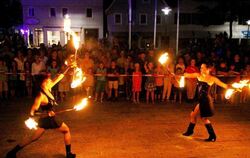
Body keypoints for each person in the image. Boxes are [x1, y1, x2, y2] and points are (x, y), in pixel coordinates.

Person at [6, 63, 77, 158]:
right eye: (48, 79)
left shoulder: (48, 87)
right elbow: (32, 111)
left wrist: (68, 67)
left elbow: (59, 77)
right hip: (49, 119)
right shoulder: (41, 96)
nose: (50, 79)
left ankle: (12, 153)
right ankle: (69, 154)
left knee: (33, 138)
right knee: (66, 130)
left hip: (46, 120)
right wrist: (46, 112)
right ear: (43, 82)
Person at [182, 63, 231, 142]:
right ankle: (190, 131)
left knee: (204, 118)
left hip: (206, 100)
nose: (201, 69)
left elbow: (224, 85)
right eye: (201, 68)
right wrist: (176, 74)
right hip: (200, 100)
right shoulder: (198, 75)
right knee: (192, 115)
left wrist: (234, 87)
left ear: (208, 69)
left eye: (203, 68)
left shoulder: (212, 78)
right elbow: (187, 75)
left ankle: (212, 136)